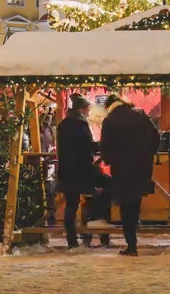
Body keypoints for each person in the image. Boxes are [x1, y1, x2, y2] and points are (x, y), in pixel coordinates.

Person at [98, 94, 159, 256]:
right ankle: (134, 234)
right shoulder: (140, 115)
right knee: (135, 201)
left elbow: (105, 147)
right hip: (142, 168)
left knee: (126, 205)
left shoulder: (110, 121)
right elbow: (155, 138)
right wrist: (148, 155)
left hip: (122, 169)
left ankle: (131, 244)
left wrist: (109, 160)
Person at [56, 94, 109, 249]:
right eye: (87, 109)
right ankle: (98, 230)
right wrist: (102, 145)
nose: (88, 112)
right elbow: (87, 146)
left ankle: (72, 241)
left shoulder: (63, 124)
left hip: (66, 170)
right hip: (82, 170)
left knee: (71, 205)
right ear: (82, 108)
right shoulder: (80, 124)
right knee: (103, 190)